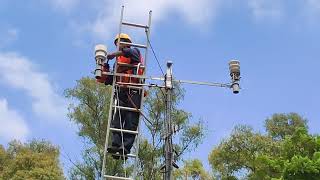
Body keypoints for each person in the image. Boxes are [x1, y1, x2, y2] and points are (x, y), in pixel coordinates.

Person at [106, 33, 143, 158]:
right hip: (121, 91)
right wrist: (104, 68)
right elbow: (109, 80)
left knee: (130, 121)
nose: (118, 46)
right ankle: (116, 145)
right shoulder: (118, 62)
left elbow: (128, 53)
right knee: (117, 119)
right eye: (116, 44)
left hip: (134, 91)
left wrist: (112, 54)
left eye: (119, 43)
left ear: (127, 42)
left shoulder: (134, 52)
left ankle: (125, 147)